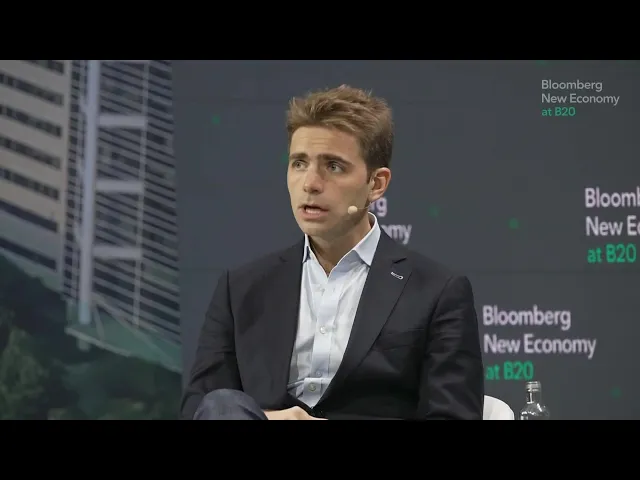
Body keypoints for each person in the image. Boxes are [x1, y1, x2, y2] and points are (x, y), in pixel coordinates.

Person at [180, 85, 485, 420]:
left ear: (376, 184)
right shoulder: (240, 289)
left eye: (334, 166)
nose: (310, 183)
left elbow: (452, 416)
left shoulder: (436, 292)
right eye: (299, 163)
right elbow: (201, 409)